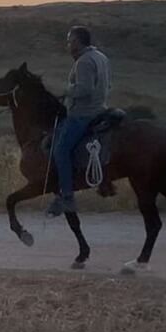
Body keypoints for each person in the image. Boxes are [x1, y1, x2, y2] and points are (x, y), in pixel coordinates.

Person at [47, 26, 111, 217]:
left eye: (69, 41)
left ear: (77, 42)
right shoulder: (101, 57)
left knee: (60, 150)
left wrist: (65, 91)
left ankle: (67, 196)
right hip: (100, 109)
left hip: (84, 114)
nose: (68, 45)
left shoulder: (84, 62)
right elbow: (108, 84)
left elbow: (85, 90)